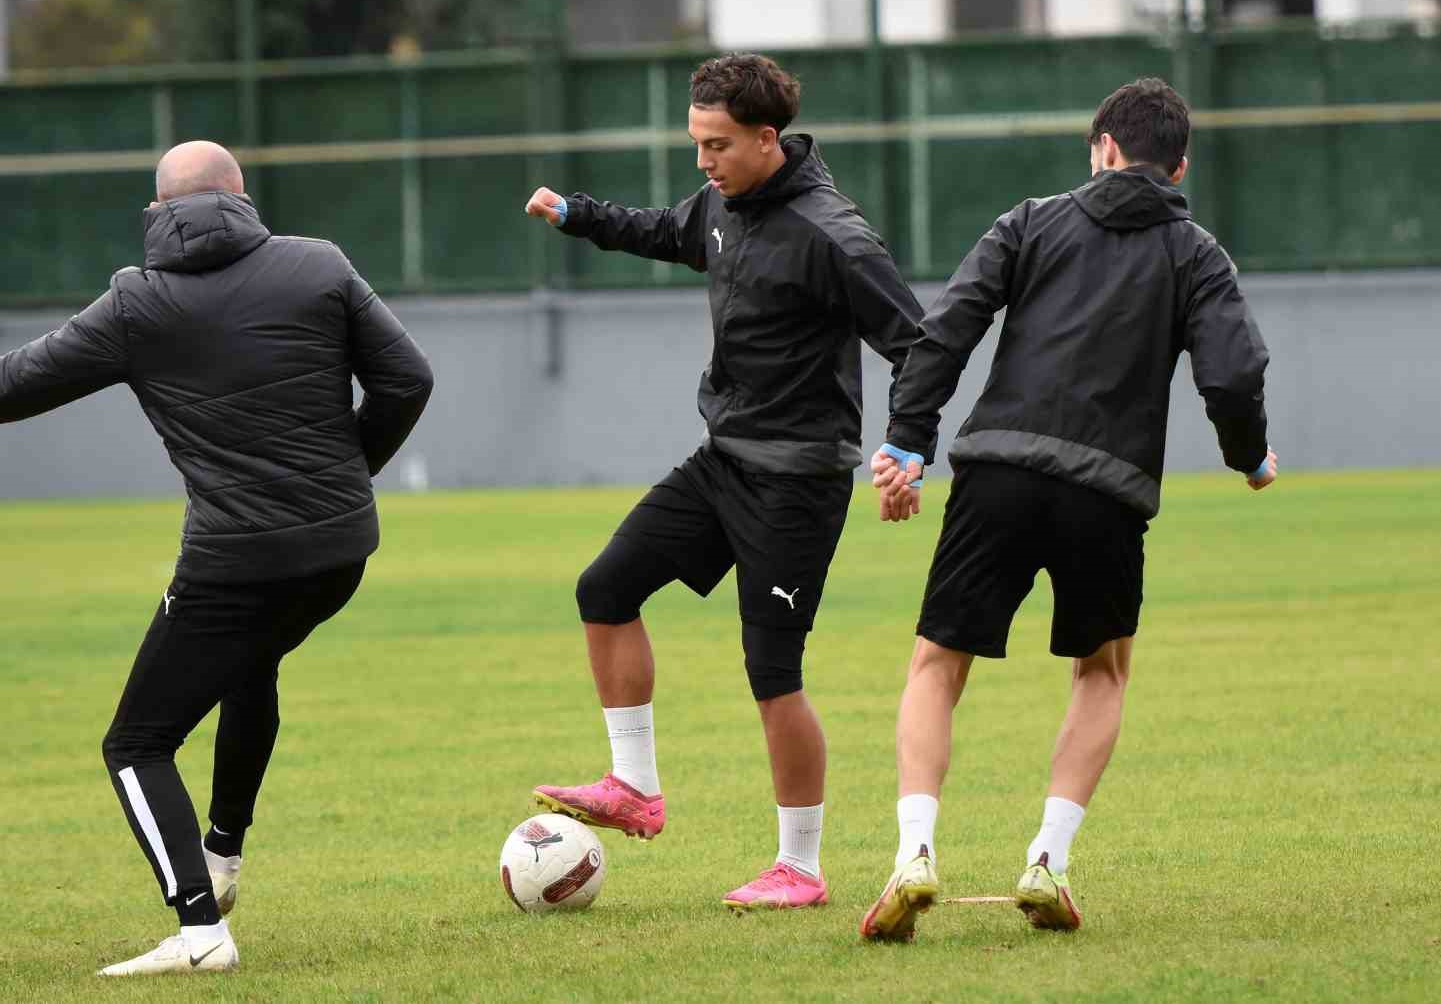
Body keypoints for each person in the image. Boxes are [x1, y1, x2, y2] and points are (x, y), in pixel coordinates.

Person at [857, 78, 1277, 942]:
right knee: (1102, 670)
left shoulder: (1032, 220)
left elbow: (950, 329)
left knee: (937, 664)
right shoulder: (1197, 254)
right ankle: (1047, 860)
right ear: (1180, 164)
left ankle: (913, 854)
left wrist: (907, 442)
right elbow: (1232, 374)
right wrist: (1249, 456)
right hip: (1109, 492)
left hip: (998, 471)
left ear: (1105, 148)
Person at [0, 141, 434, 975]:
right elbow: (408, 379)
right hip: (340, 552)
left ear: (157, 211)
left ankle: (200, 931)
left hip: (234, 562)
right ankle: (224, 852)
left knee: (135, 742)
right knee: (251, 665)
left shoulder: (137, 302)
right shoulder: (319, 265)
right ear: (243, 197)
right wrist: (347, 475)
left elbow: (16, 383)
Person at [523, 53, 929, 910]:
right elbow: (665, 230)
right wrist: (577, 215)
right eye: (696, 143)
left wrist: (908, 447)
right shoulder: (719, 204)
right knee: (605, 587)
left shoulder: (834, 235)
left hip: (798, 483)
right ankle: (634, 784)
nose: (702, 162)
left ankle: (802, 868)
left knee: (772, 671)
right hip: (723, 462)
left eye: (716, 145)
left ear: (766, 139)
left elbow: (918, 342)